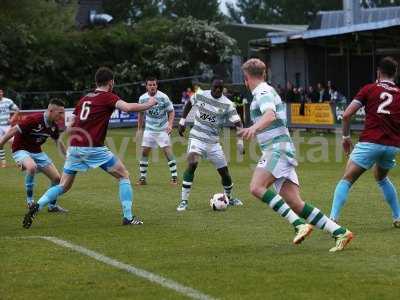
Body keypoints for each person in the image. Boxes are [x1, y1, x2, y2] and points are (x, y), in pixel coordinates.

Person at [239, 58, 353, 252]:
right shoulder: (265, 90)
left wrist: (253, 128)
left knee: (256, 187)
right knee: (295, 203)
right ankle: (340, 232)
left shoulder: (262, 91)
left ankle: (299, 225)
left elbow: (270, 114)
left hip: (277, 149)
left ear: (246, 78)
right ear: (264, 74)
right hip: (280, 148)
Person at [22, 67, 157, 228]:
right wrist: (149, 103)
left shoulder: (84, 98)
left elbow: (71, 122)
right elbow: (127, 107)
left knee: (63, 185)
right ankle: (128, 217)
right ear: (110, 82)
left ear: (96, 82)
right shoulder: (107, 96)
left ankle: (38, 205)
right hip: (94, 148)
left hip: (75, 147)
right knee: (124, 175)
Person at [330, 57, 400, 227]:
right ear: (395, 74)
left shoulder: (370, 89)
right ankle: (398, 217)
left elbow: (346, 115)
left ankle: (332, 219)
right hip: (392, 145)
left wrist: (346, 138)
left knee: (347, 179)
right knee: (381, 177)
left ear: (378, 72)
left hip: (370, 141)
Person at [176, 78, 244, 211]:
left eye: (220, 88)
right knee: (192, 164)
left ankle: (228, 198)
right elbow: (189, 103)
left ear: (223, 88)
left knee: (224, 172)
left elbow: (238, 123)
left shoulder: (228, 104)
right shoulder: (201, 95)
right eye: (215, 88)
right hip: (197, 137)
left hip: (213, 142)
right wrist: (182, 121)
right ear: (211, 87)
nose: (217, 90)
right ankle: (183, 201)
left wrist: (240, 141)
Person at [0, 98, 68, 212]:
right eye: (60, 113)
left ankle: (52, 206)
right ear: (51, 110)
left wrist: (68, 157)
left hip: (37, 152)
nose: (62, 115)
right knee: (32, 167)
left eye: (63, 112)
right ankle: (30, 202)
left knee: (57, 179)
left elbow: (58, 142)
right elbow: (13, 130)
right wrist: (1, 143)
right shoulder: (33, 119)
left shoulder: (53, 126)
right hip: (20, 149)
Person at [136, 77, 177, 185]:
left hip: (162, 128)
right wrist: (139, 129)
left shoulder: (163, 97)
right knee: (144, 152)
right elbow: (140, 113)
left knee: (167, 152)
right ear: (146, 86)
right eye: (150, 85)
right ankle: (143, 178)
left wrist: (170, 125)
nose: (152, 87)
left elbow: (171, 111)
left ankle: (174, 178)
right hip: (149, 129)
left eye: (154, 84)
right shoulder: (142, 98)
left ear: (157, 86)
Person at [0, 89, 19, 167]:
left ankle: (18, 161)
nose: (0, 93)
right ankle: (3, 162)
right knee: (0, 144)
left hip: (7, 126)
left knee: (12, 142)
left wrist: (12, 119)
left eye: (1, 92)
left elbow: (17, 109)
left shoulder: (8, 101)